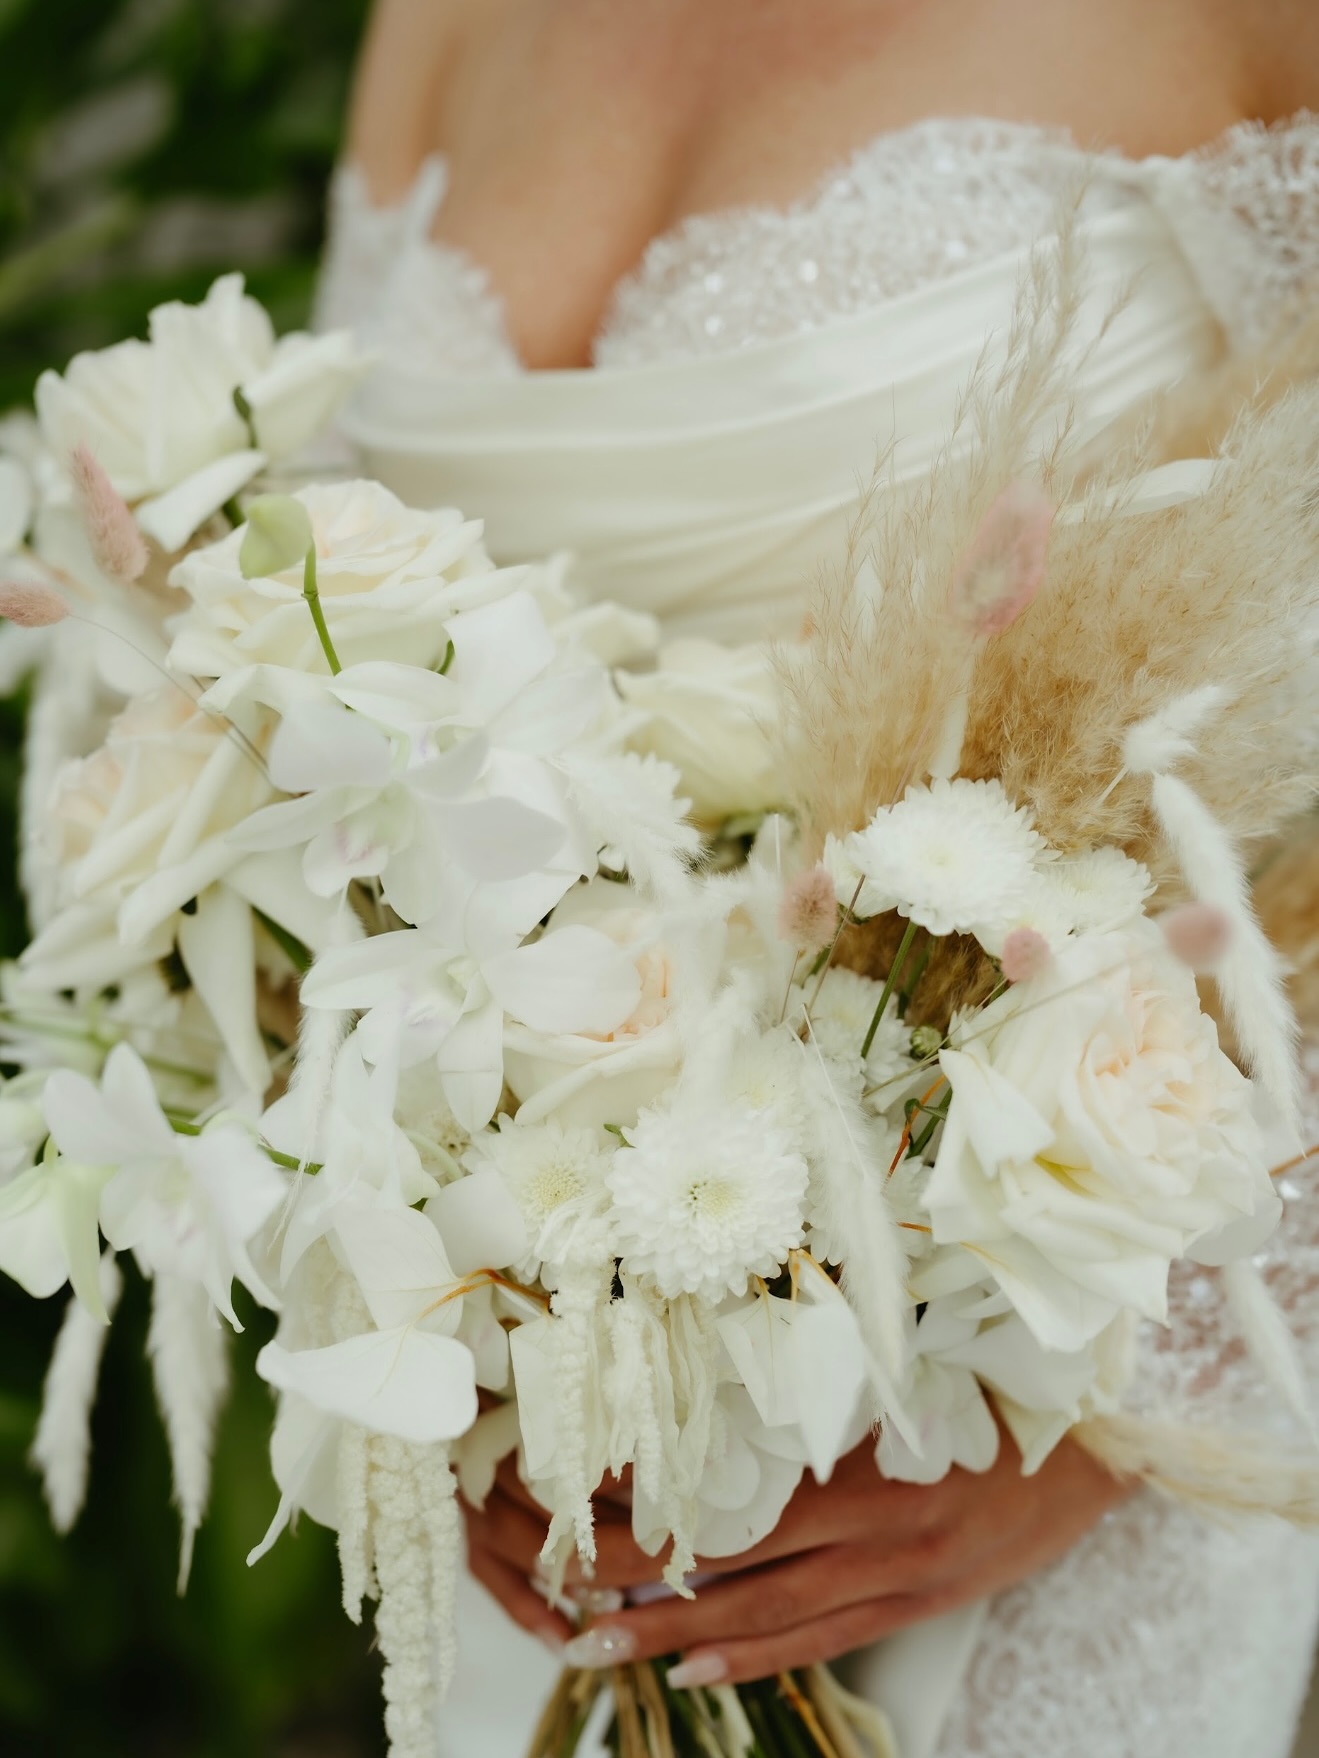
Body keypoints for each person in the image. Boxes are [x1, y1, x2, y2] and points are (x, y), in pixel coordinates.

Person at [318, 3, 1319, 1753]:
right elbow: (329, 672)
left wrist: (1142, 1405)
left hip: (1049, 1404)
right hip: (549, 1442)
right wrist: (429, 1307)